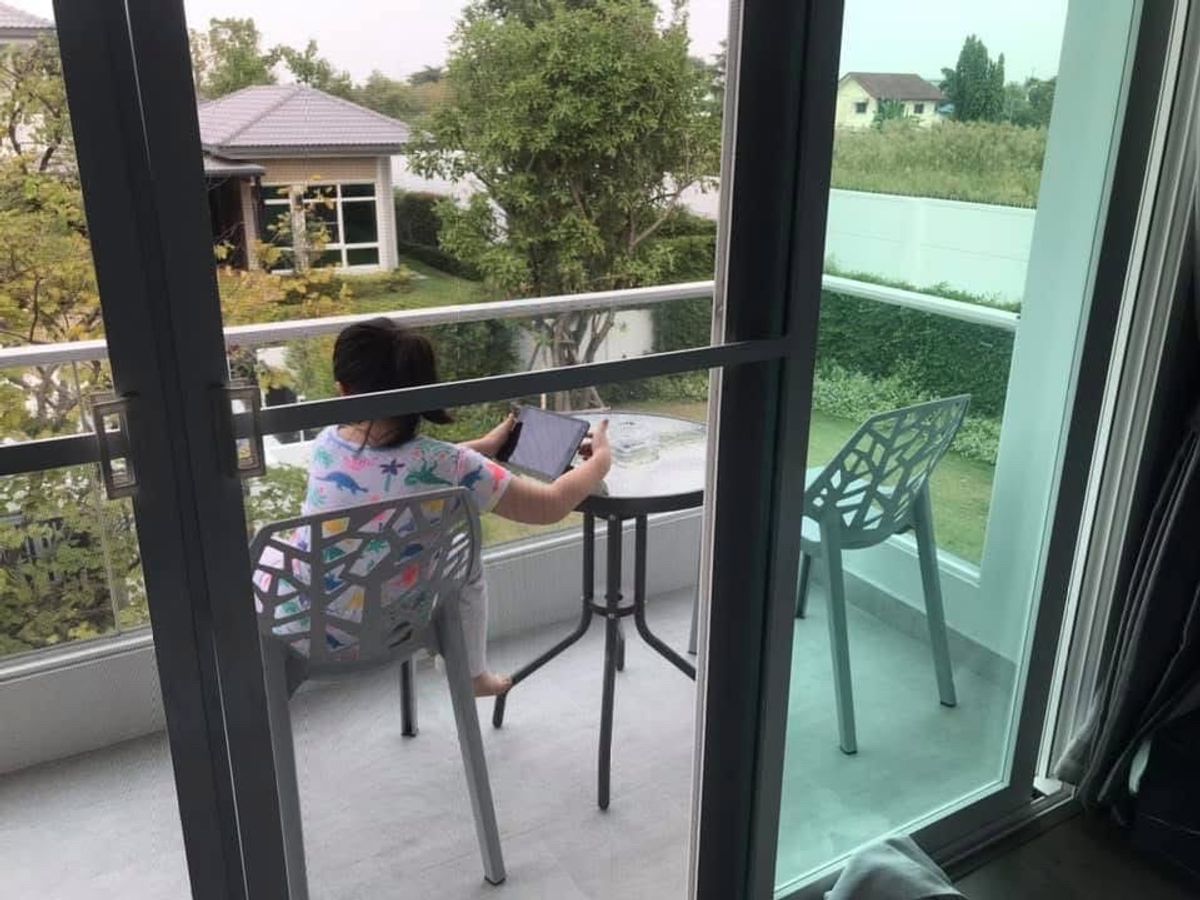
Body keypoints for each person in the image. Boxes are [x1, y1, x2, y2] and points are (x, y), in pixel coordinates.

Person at [303, 318, 612, 697]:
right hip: (379, 630)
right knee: (465, 562)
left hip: (299, 619)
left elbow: (394, 471)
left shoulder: (326, 443)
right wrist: (601, 460)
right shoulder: (451, 466)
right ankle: (472, 675)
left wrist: (483, 447)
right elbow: (547, 506)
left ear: (344, 390)